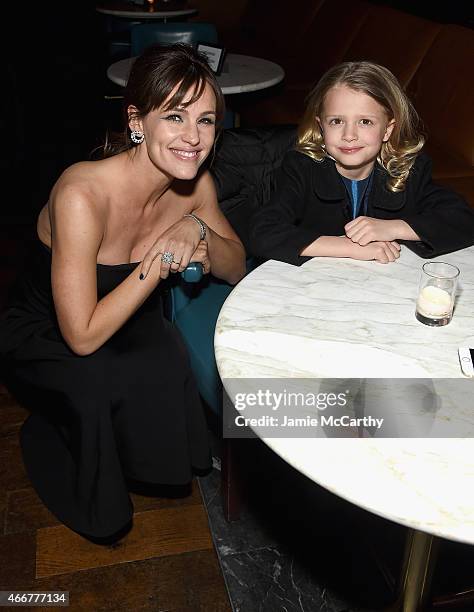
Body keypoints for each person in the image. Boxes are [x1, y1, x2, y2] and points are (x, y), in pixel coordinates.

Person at [0, 43, 246, 541]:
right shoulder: (82, 193)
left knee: (167, 356)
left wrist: (198, 230)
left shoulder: (196, 187)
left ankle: (138, 454)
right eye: (175, 117)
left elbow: (237, 266)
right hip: (46, 326)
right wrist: (160, 260)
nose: (193, 138)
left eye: (206, 121)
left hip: (127, 311)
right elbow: (83, 336)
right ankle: (63, 448)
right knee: (94, 381)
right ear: (137, 121)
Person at [249, 61, 474, 266]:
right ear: (321, 126)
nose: (349, 135)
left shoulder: (407, 171)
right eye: (337, 121)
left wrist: (392, 227)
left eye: (365, 122)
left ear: (387, 129)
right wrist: (350, 248)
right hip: (315, 284)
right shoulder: (301, 168)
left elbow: (463, 220)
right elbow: (262, 232)